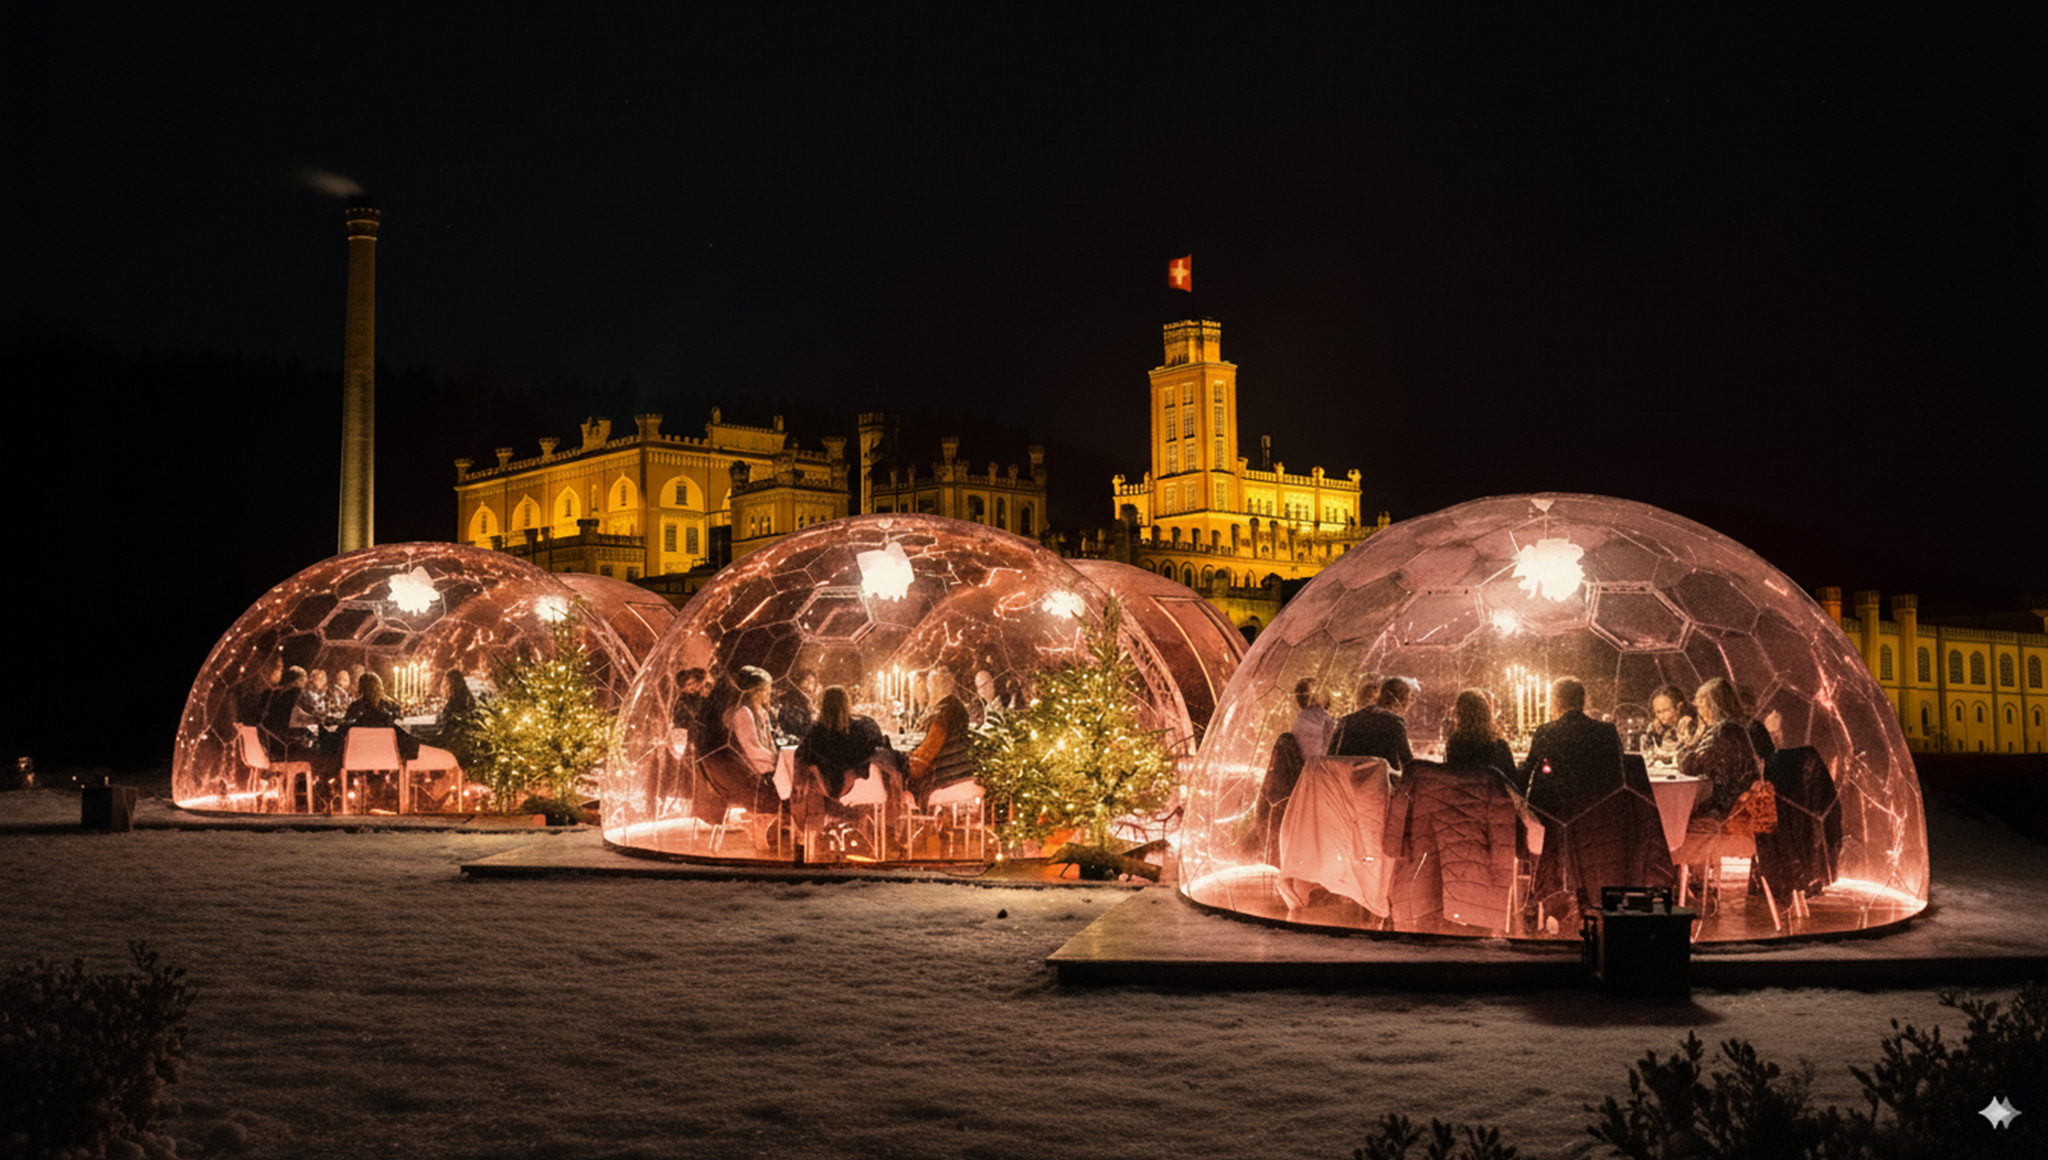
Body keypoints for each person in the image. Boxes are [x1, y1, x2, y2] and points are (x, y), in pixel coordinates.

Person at [1517, 677, 1622, 815]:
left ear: (1556, 702)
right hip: (1597, 811)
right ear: (1582, 702)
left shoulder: (1546, 732)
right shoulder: (1607, 731)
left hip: (1554, 813)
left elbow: (1526, 773)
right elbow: (1619, 774)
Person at [1680, 677, 1763, 823]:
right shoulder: (1740, 724)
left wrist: (1689, 742)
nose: (1699, 713)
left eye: (1701, 706)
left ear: (1714, 706)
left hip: (1727, 808)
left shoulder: (1723, 729)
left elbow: (1689, 766)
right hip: (1741, 801)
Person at [907, 668, 976, 806]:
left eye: (931, 684)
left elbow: (925, 756)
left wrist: (905, 769)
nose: (929, 689)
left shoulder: (943, 713)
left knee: (896, 786)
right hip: (961, 774)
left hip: (943, 779)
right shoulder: (953, 707)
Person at [1331, 676, 1416, 770]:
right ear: (1402, 701)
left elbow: (1331, 757)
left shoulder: (1346, 720)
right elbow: (1408, 763)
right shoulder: (1395, 722)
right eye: (1409, 700)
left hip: (1346, 777)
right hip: (1381, 778)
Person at [1443, 688, 1516, 782]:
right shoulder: (1499, 746)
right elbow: (1514, 783)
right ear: (1487, 713)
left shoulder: (1454, 747)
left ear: (1458, 715)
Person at [1642, 684, 1697, 765]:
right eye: (1658, 712)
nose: (1662, 716)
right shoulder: (1654, 729)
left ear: (1678, 708)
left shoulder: (1691, 724)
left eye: (1666, 710)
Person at [1289, 677, 1338, 758]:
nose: (1327, 692)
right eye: (1321, 688)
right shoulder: (1314, 716)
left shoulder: (1304, 717)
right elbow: (1313, 753)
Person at [774, 669, 820, 742]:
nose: (809, 683)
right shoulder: (789, 697)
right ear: (800, 680)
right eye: (807, 679)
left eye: (812, 682)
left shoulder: (812, 700)